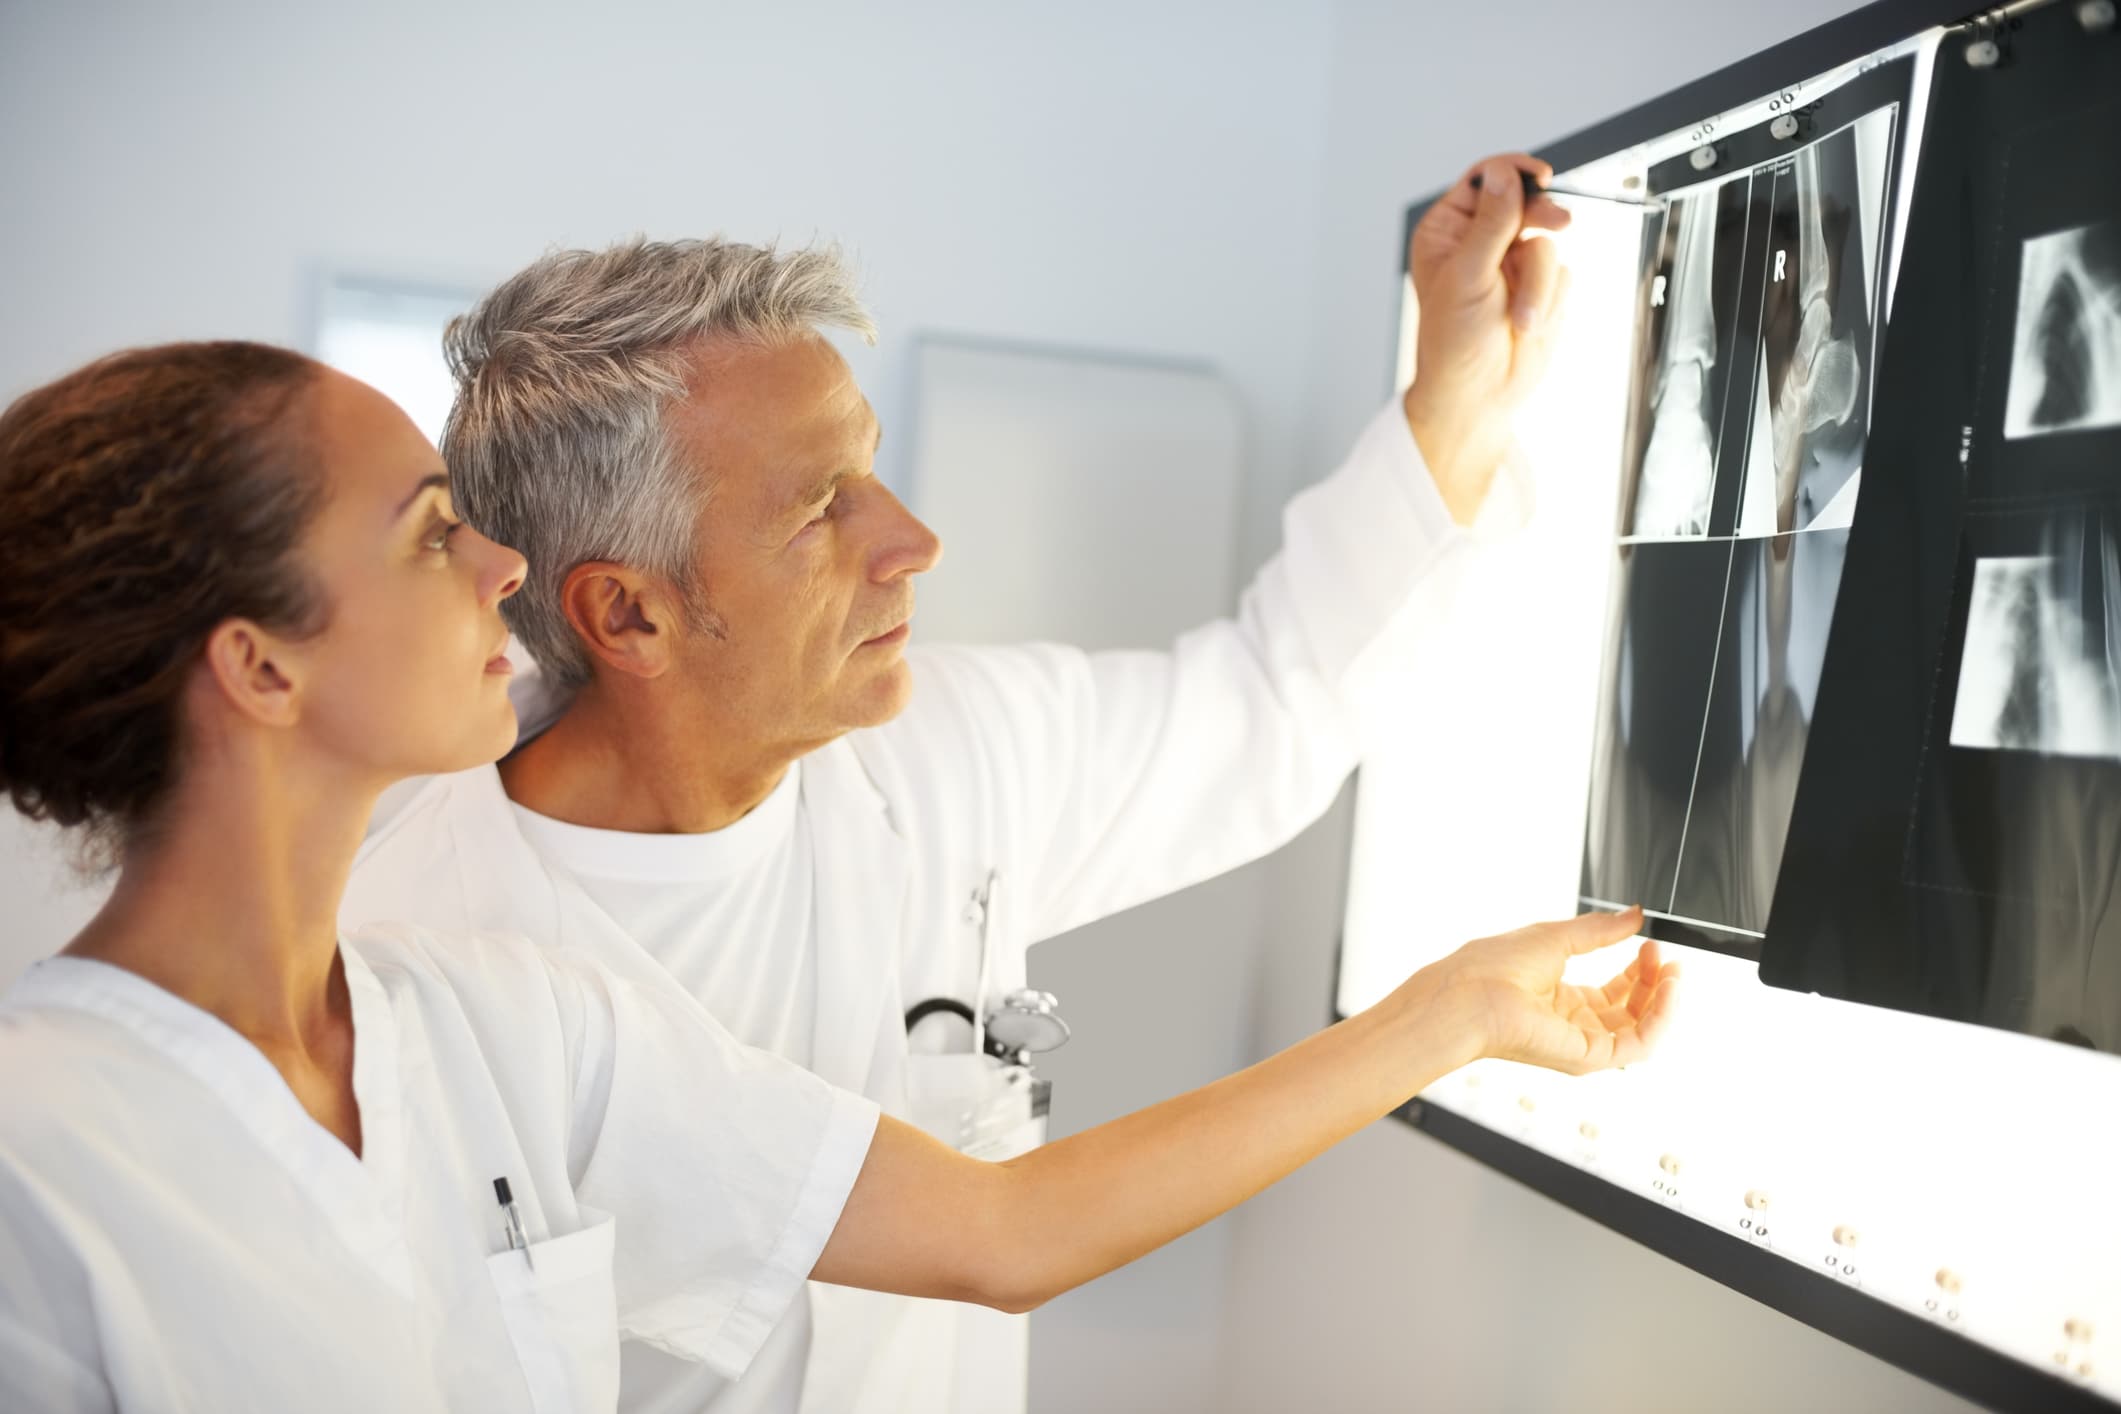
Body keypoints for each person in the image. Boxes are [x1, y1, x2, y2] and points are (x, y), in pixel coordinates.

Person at [0, 339, 1674, 1413]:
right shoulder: (43, 1155)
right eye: (434, 531)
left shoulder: (491, 1023)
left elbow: (1008, 1228)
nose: (500, 567)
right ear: (262, 668)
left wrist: (1447, 1014)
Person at [339, 153, 1578, 1413]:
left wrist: (1455, 401)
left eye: (868, 467)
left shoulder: (950, 750)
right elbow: (1004, 1236)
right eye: (824, 508)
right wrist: (1443, 1019)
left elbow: (1271, 707)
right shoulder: (403, 958)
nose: (913, 541)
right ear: (629, 614)